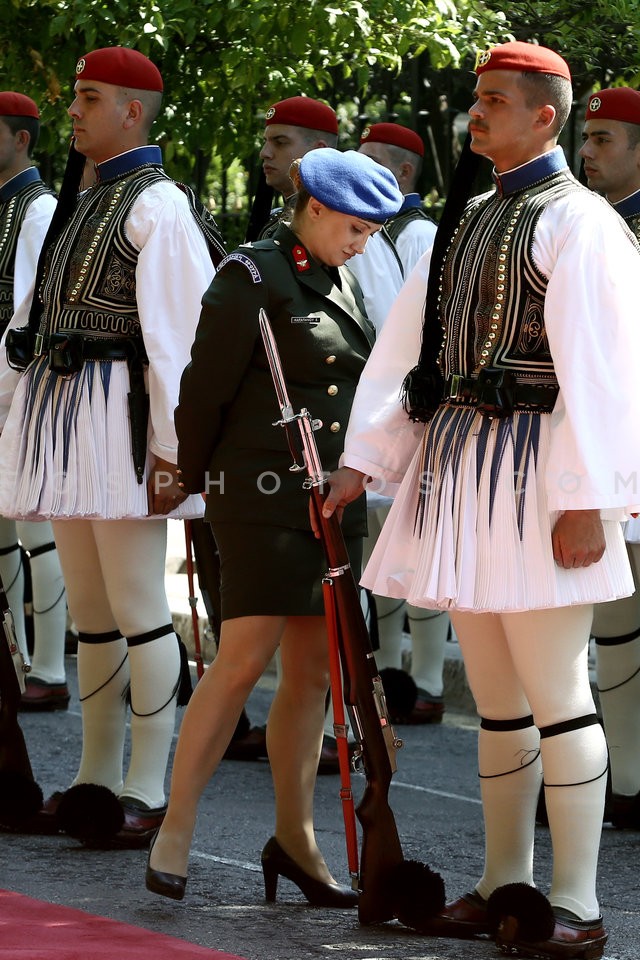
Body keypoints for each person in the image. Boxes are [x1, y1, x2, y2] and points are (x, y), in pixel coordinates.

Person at [318, 41, 640, 959]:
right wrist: (363, 460)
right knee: (499, 703)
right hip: (462, 469)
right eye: (476, 99)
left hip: (543, 477)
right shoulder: (466, 219)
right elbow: (406, 358)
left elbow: (607, 371)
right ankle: (507, 885)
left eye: (496, 100)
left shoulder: (579, 222)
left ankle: (574, 902)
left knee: (559, 697)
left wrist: (588, 498)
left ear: (548, 116)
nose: (476, 114)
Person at [145, 147, 402, 905]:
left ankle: (296, 840)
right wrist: (196, 483)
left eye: (370, 233)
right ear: (314, 208)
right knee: (242, 659)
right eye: (354, 228)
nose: (362, 244)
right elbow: (202, 394)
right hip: (259, 494)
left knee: (315, 673)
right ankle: (176, 829)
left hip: (331, 501)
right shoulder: (252, 276)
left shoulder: (342, 277)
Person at [0, 46, 224, 848]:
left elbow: (178, 344)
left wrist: (174, 451)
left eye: (89, 97)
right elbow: (25, 329)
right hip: (66, 420)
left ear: (132, 111)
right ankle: (95, 780)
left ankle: (143, 784)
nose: (73, 110)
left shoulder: (157, 206)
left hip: (123, 424)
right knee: (93, 617)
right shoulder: (81, 199)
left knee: (137, 610)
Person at [227, 94, 344, 769]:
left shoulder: (358, 239)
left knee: (315, 648)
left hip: (326, 471)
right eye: (266, 140)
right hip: (262, 470)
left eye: (282, 141)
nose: (267, 152)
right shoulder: (268, 234)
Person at [350, 122, 447, 725]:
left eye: (374, 164)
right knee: (382, 546)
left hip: (413, 407)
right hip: (375, 403)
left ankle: (427, 678)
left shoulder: (420, 235)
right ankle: (389, 671)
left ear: (404, 173)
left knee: (420, 541)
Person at [580, 87, 640, 829]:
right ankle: (626, 777)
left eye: (602, 139)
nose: (587, 151)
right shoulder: (592, 224)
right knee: (616, 620)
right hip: (613, 440)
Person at [0, 92, 68, 712]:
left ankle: (48, 664)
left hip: (17, 395)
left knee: (37, 533)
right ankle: (14, 659)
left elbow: (27, 313)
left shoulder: (39, 209)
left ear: (22, 138)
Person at [257, 95, 339, 238]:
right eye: (266, 141)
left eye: (280, 142)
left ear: (318, 151)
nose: (264, 153)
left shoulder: (342, 226)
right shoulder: (273, 218)